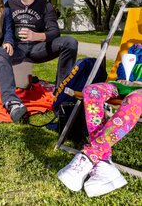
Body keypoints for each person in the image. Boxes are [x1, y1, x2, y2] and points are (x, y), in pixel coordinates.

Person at [57, 45, 142, 197]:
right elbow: (121, 73)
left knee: (136, 99)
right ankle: (104, 162)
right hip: (123, 86)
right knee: (91, 91)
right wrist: (127, 74)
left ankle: (91, 155)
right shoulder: (136, 49)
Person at [0, 0, 78, 122]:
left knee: (70, 43)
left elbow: (54, 31)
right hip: (17, 48)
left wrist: (37, 36)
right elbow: (3, 24)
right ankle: (12, 102)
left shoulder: (45, 6)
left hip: (37, 48)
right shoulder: (11, 3)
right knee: (1, 52)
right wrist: (7, 41)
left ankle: (61, 92)